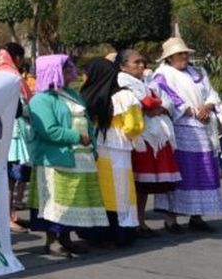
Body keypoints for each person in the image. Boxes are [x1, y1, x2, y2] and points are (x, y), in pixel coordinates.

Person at [26, 55, 105, 258]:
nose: (72, 71)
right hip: (55, 159)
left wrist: (93, 148)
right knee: (55, 201)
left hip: (80, 157)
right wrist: (78, 137)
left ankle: (66, 239)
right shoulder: (41, 99)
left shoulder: (71, 94)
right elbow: (49, 130)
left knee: (72, 200)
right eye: (66, 68)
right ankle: (52, 241)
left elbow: (86, 120)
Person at [152, 38, 222, 233]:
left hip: (203, 127)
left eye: (185, 53)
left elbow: (212, 93)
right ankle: (171, 219)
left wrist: (207, 106)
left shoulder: (198, 72)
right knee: (180, 171)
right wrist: (192, 111)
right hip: (180, 128)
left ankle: (197, 215)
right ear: (169, 57)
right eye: (180, 54)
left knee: (202, 169)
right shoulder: (162, 74)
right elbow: (170, 98)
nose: (184, 57)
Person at [80, 57, 145, 248]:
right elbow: (134, 126)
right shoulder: (126, 96)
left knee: (100, 189)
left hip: (97, 148)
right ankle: (120, 232)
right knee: (121, 190)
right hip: (119, 147)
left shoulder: (88, 95)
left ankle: (97, 232)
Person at [118, 50, 180, 238]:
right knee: (137, 182)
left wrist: (160, 106)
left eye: (143, 62)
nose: (141, 66)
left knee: (144, 184)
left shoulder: (148, 82)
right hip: (138, 138)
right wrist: (151, 108)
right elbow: (137, 105)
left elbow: (168, 100)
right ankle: (134, 222)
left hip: (154, 137)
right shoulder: (122, 83)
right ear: (123, 66)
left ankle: (140, 221)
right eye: (136, 62)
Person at [0, 43, 33, 231]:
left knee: (11, 177)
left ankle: (11, 215)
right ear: (17, 58)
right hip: (13, 135)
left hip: (5, 133)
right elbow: (20, 106)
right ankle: (7, 217)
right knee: (10, 178)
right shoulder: (11, 76)